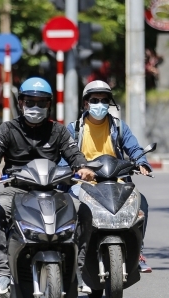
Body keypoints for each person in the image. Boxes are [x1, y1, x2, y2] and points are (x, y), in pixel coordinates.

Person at [0, 77, 95, 296]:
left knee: (83, 212)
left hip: (53, 189)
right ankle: (2, 272)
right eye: (30, 102)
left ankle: (77, 270)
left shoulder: (58, 131)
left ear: (49, 105)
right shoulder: (8, 129)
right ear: (21, 103)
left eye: (42, 103)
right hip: (17, 190)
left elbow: (74, 153)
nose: (36, 107)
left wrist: (82, 167)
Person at [63, 80, 153, 278]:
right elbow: (63, 157)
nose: (100, 104)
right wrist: (72, 171)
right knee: (72, 209)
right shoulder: (74, 129)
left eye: (104, 100)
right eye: (95, 100)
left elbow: (134, 149)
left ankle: (137, 252)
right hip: (83, 185)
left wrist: (142, 162)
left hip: (116, 181)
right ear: (86, 103)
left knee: (141, 204)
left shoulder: (119, 126)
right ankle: (72, 255)